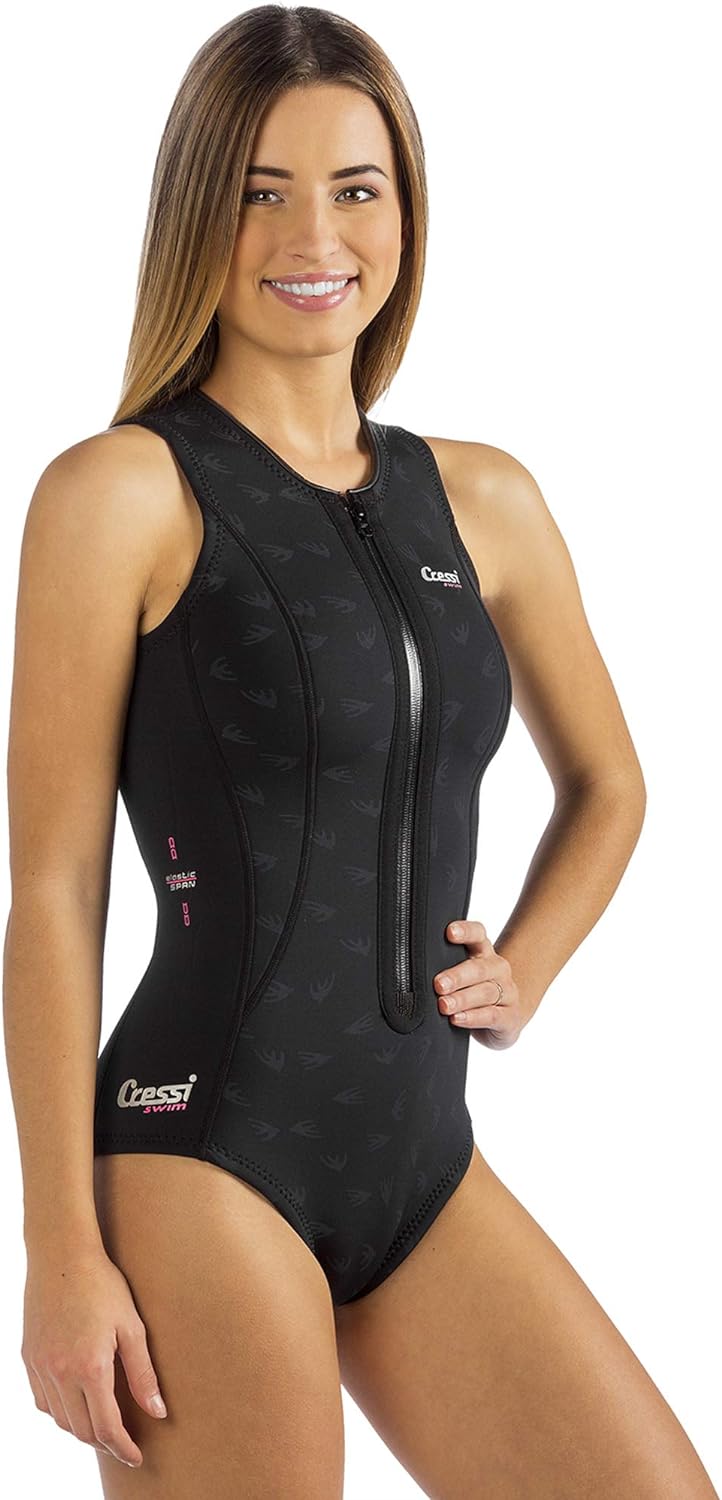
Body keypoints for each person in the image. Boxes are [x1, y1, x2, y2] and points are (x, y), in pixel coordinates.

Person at [3, 6, 718, 1498]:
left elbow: (611, 785)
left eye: (355, 188)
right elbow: (56, 892)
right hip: (204, 1143)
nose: (312, 235)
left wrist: (529, 966)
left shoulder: (484, 498)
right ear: (195, 215)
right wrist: (59, 1250)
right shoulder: (117, 494)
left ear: (406, 211)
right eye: (259, 191)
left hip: (421, 1158)